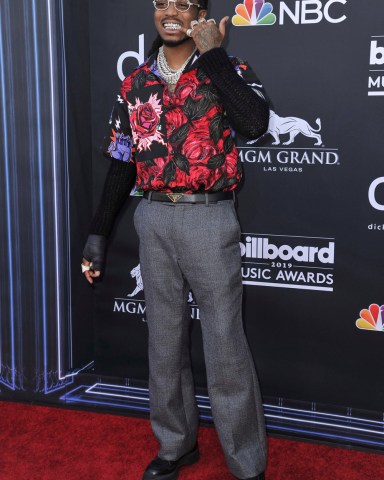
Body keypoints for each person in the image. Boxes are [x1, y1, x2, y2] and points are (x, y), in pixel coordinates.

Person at [81, 1, 270, 479]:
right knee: (163, 344)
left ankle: (246, 462)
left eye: (183, 4)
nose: (170, 12)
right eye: (161, 3)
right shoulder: (136, 81)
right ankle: (175, 445)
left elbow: (256, 124)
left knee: (225, 345)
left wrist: (215, 58)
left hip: (209, 218)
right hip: (154, 217)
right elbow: (123, 160)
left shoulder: (228, 68)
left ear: (200, 15)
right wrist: (99, 232)